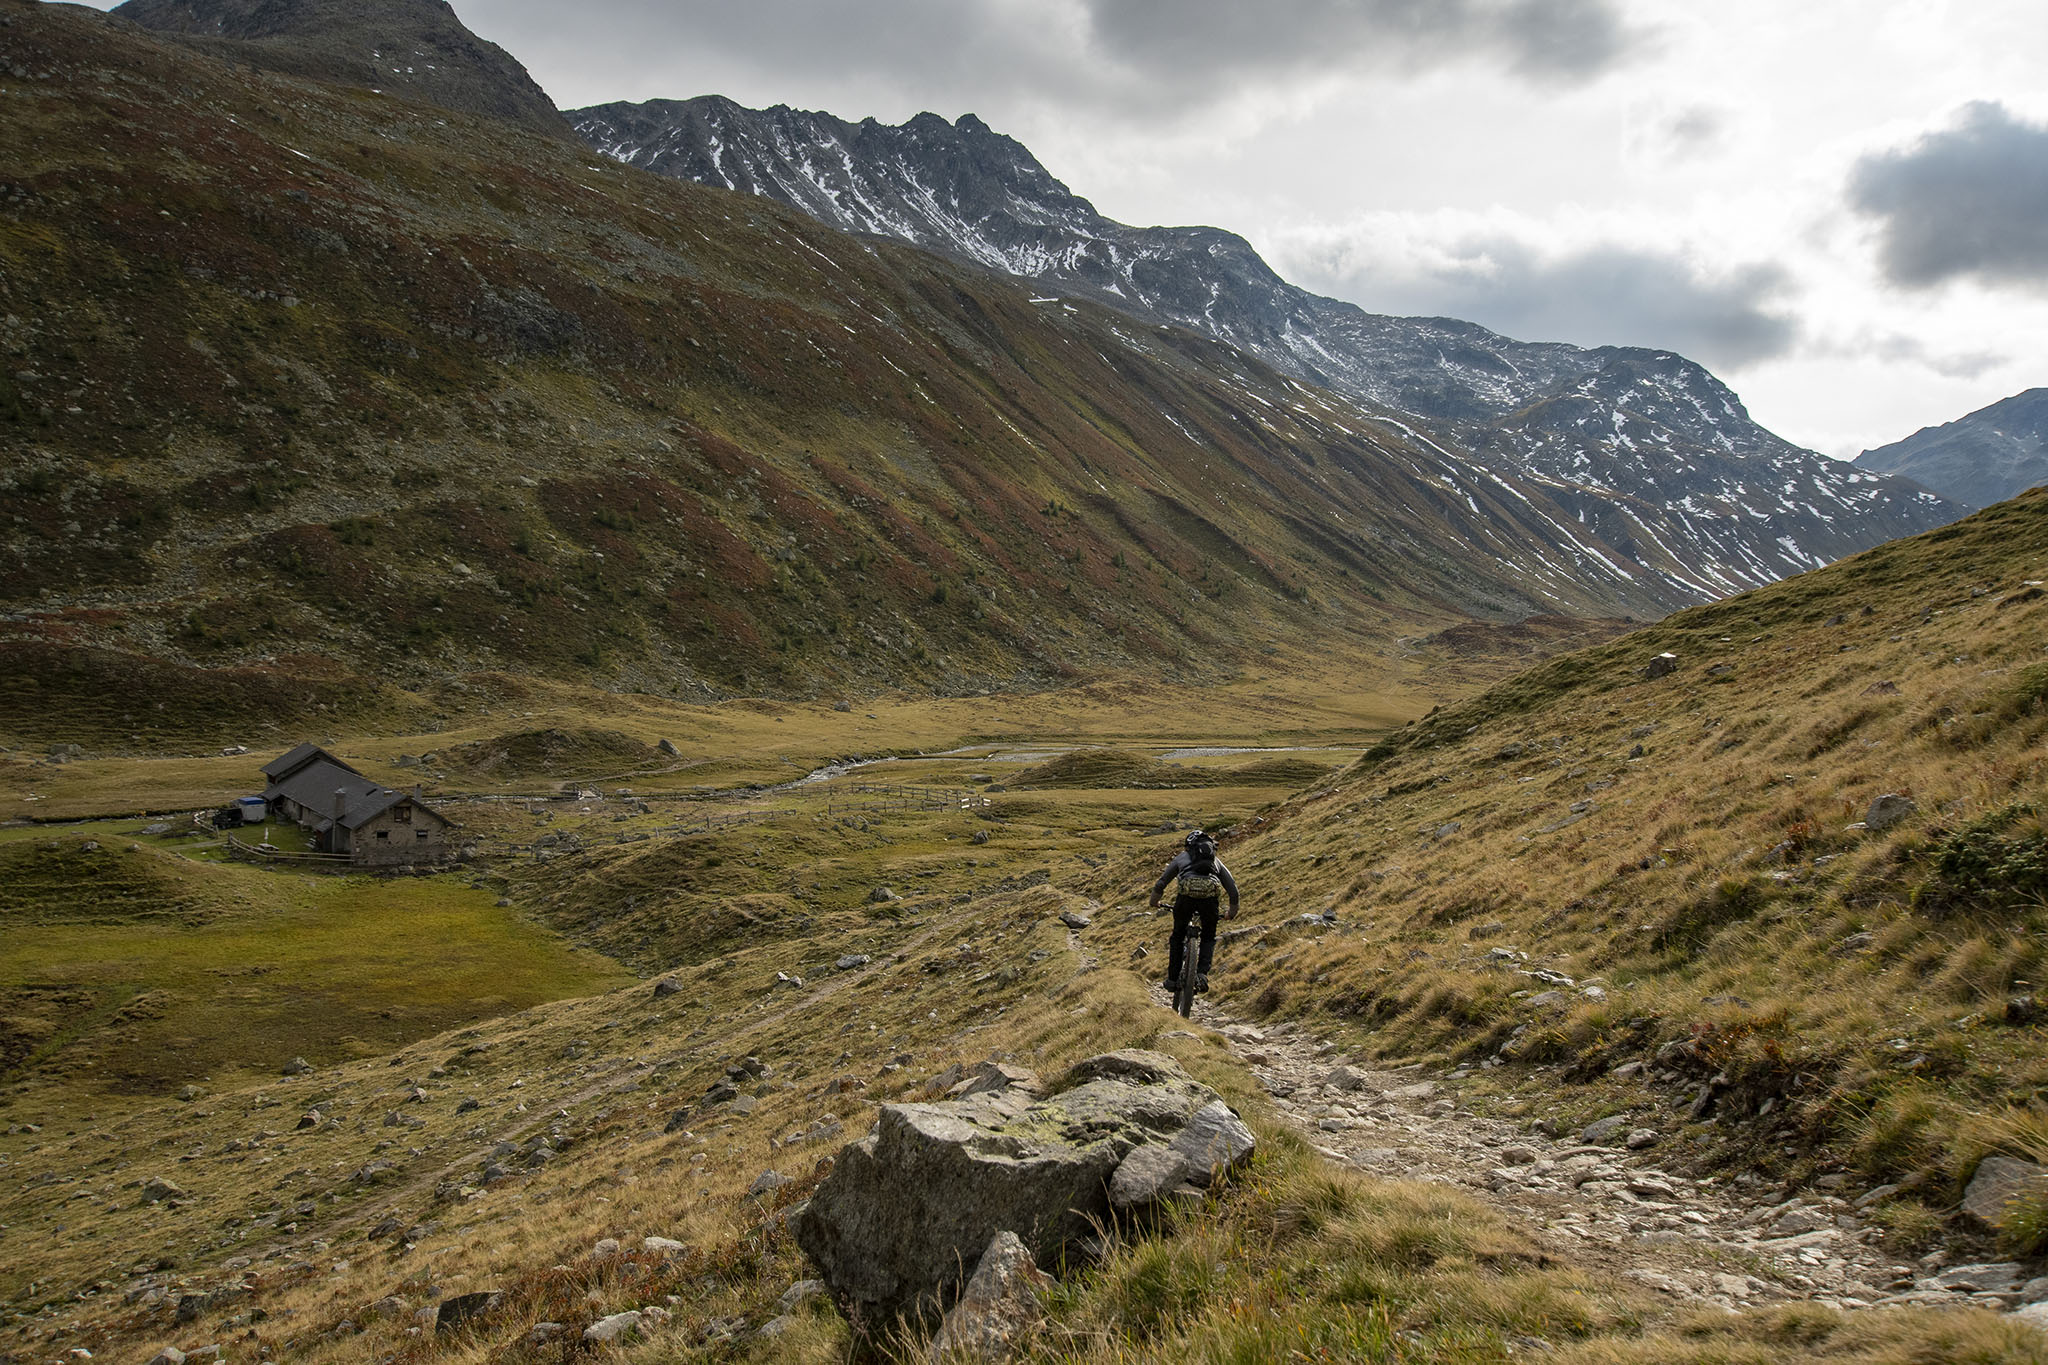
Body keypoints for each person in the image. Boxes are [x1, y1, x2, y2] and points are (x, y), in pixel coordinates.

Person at [1148, 829, 1240, 994]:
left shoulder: (1182, 858)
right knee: (1208, 937)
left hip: (1186, 900)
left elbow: (1161, 883)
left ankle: (1172, 980)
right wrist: (1231, 913)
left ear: (1188, 846)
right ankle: (1202, 974)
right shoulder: (1215, 861)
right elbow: (1233, 889)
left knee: (1177, 937)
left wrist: (1154, 902)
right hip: (1209, 902)